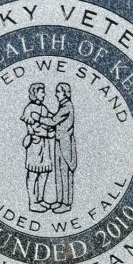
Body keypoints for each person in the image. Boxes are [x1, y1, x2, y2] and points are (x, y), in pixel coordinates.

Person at [20, 83, 55, 212]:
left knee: (44, 172)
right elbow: (31, 128)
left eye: (44, 92)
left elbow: (51, 120)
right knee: (33, 174)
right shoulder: (29, 108)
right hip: (35, 145)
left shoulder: (44, 108)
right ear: (35, 93)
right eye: (41, 92)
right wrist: (46, 132)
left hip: (44, 145)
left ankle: (40, 199)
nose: (44, 94)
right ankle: (32, 202)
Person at [48, 82, 77, 213]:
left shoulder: (67, 106)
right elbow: (55, 119)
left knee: (65, 173)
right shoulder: (63, 106)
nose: (56, 94)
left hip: (65, 143)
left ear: (65, 92)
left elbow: (53, 121)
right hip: (59, 141)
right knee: (59, 173)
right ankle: (59, 200)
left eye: (58, 91)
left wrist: (37, 117)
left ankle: (66, 203)